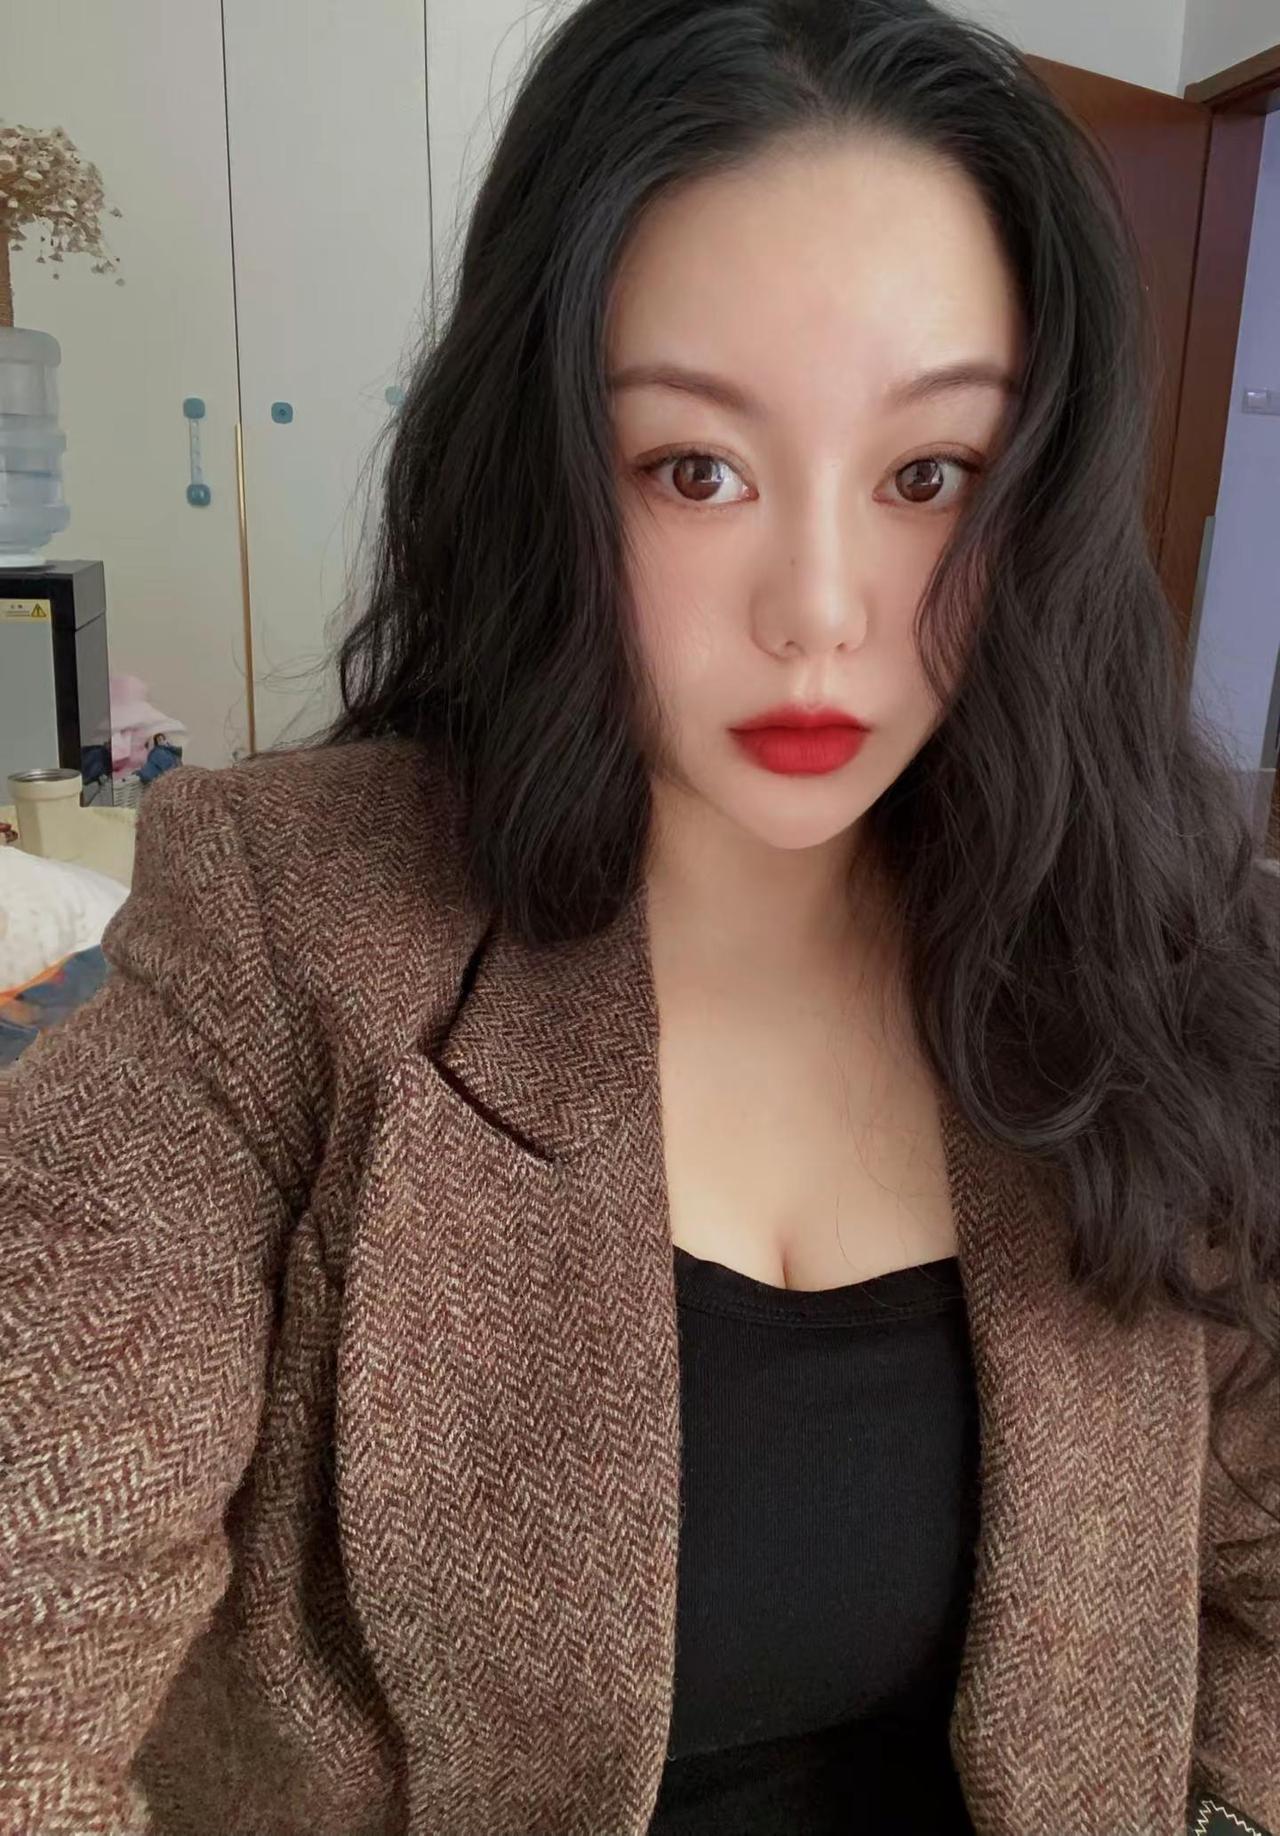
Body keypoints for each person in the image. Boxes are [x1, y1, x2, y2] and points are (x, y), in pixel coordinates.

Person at [2, 0, 1276, 1831]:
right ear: (545, 474)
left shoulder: (1140, 948)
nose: (819, 610)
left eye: (929, 477)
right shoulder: (290, 934)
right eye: (696, 470)